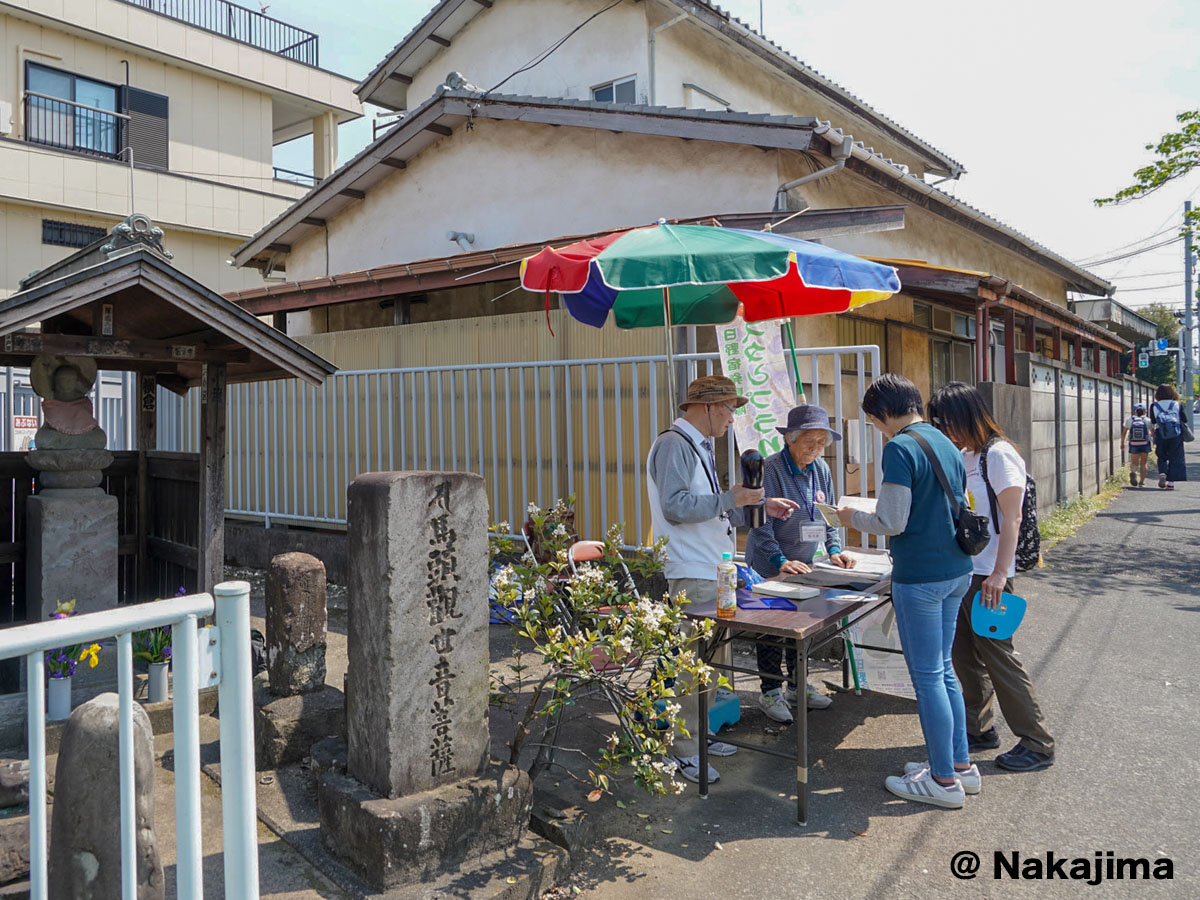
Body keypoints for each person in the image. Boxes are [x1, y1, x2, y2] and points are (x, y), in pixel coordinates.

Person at [646, 375, 800, 784]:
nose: (733, 417)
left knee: (713, 663)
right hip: (692, 569)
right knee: (692, 665)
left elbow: (711, 509)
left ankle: (701, 734)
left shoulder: (698, 447)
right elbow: (676, 506)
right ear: (709, 406)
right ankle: (682, 751)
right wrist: (734, 498)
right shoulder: (674, 444)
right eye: (730, 408)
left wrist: (761, 505)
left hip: (714, 567)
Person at [835, 374, 974, 809]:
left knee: (928, 676)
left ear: (882, 414)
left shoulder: (899, 447)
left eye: (875, 423)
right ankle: (960, 767)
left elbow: (892, 520)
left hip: (922, 576)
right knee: (944, 670)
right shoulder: (944, 440)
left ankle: (942, 782)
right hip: (957, 570)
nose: (878, 430)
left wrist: (849, 517)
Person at [928, 382, 1055, 774]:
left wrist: (1001, 573)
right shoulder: (968, 455)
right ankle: (978, 729)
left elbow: (1013, 517)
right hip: (966, 573)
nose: (944, 431)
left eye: (946, 422)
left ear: (965, 416)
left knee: (999, 657)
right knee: (964, 656)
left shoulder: (999, 456)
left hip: (991, 577)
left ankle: (1037, 742)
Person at [745, 405, 857, 722]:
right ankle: (770, 692)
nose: (816, 448)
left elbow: (828, 515)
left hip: (805, 565)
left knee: (799, 630)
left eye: (822, 442)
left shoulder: (821, 469)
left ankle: (797, 686)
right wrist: (781, 561)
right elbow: (759, 526)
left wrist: (834, 548)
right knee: (771, 631)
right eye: (810, 441)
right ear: (791, 439)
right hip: (771, 565)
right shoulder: (770, 470)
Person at [1149, 384, 1188, 489]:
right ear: (1172, 393)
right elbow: (1184, 419)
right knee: (1175, 457)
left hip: (1161, 434)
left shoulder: (1154, 405)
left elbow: (1153, 421)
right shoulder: (1177, 404)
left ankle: (1162, 474)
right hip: (1176, 434)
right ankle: (1170, 483)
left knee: (1161, 455)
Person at [1121, 403, 1153, 487]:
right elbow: (1153, 433)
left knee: (1134, 462)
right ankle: (1142, 482)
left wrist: (1122, 443)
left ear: (1134, 411)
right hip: (1145, 443)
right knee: (1143, 462)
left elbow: (1124, 433)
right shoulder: (1147, 420)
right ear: (1145, 411)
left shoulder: (1129, 419)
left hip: (1134, 443)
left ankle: (1133, 472)